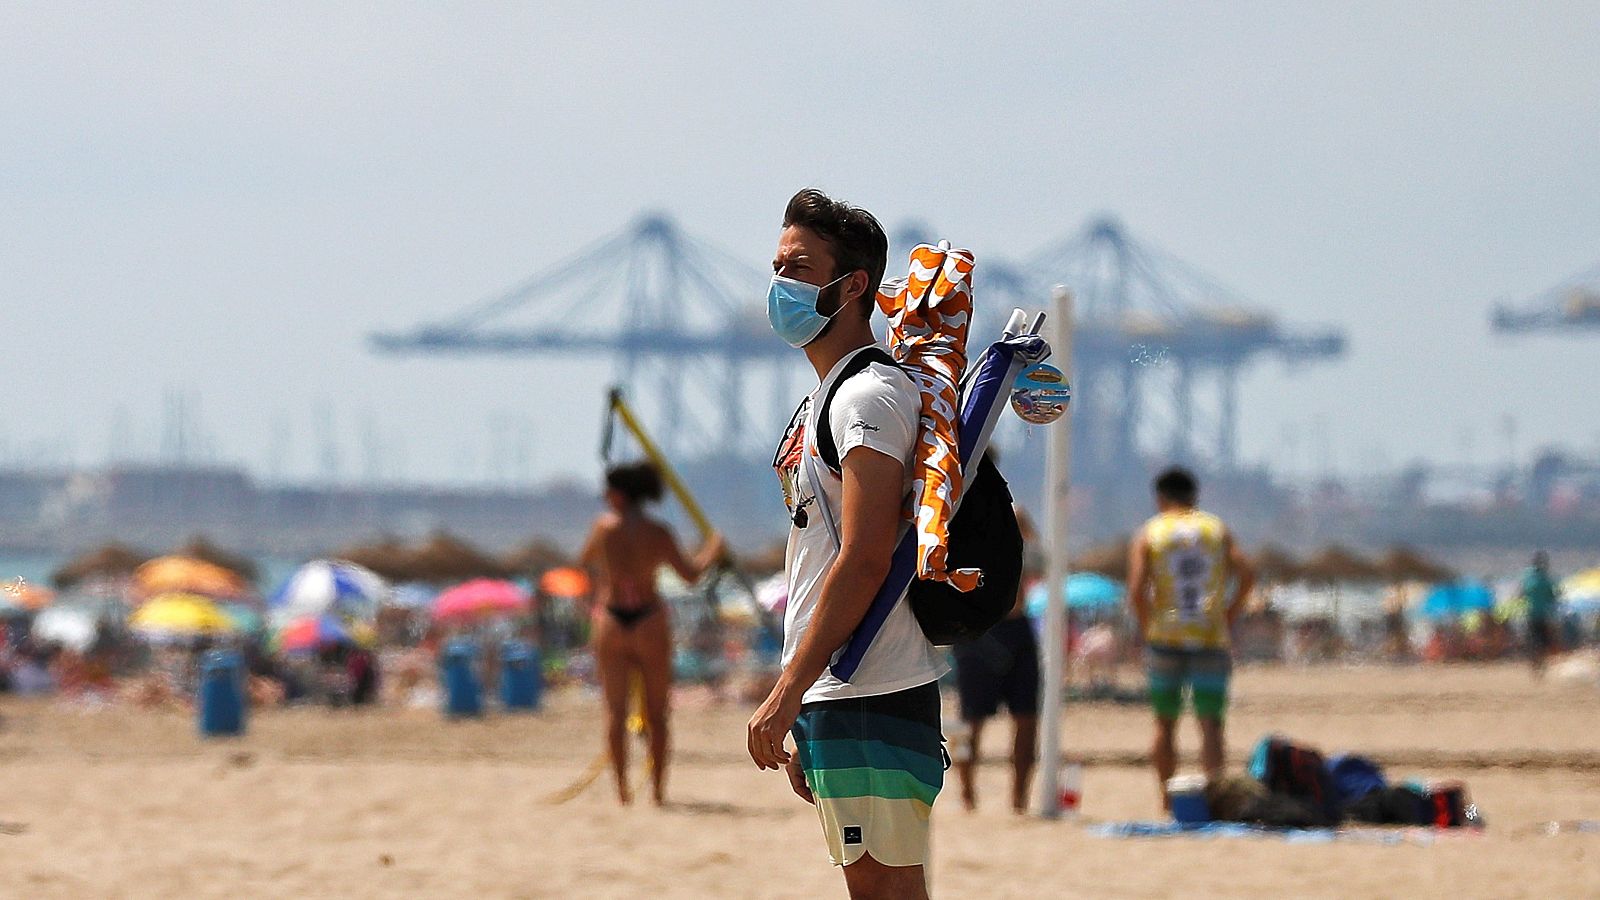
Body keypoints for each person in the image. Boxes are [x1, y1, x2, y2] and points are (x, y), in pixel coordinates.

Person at [748, 188, 945, 900]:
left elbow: (863, 557)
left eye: (798, 267)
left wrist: (788, 693)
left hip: (871, 686)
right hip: (845, 689)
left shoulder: (867, 397)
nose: (779, 285)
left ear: (853, 284)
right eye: (775, 266)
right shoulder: (829, 395)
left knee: (885, 890)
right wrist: (808, 702)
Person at [579, 460, 724, 805]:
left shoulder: (604, 529)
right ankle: (657, 793)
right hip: (648, 619)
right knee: (657, 714)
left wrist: (601, 587)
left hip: (612, 619)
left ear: (619, 495)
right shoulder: (657, 532)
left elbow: (585, 561)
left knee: (615, 713)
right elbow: (690, 575)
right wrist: (712, 551)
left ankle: (622, 793)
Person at [1126, 466, 1254, 808]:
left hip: (1165, 635)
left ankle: (1168, 798)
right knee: (1211, 723)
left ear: (1160, 497)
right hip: (1210, 634)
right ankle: (1215, 798)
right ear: (1194, 496)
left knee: (1164, 723)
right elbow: (1246, 572)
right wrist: (1230, 610)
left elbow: (1136, 589)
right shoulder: (1215, 529)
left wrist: (1146, 623)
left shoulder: (1151, 532)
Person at [951, 512, 1040, 814]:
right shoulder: (959, 513)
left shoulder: (1013, 515)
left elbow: (1038, 558)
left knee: (1026, 717)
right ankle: (967, 794)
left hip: (1014, 624)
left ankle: (1019, 799)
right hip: (979, 628)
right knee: (970, 721)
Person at [1522, 551, 1560, 677]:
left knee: (1534, 640)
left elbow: (1522, 594)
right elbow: (1554, 596)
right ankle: (1539, 663)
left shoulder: (1529, 579)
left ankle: (1535, 664)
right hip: (1543, 615)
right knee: (1543, 641)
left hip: (1532, 614)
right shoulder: (1546, 580)